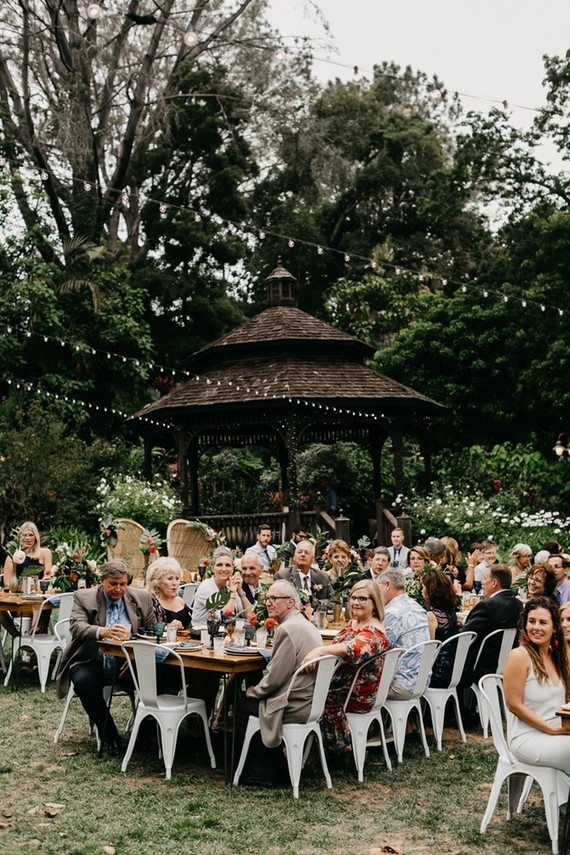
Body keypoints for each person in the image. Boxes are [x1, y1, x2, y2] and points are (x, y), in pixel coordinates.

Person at [55, 559, 154, 752]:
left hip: (128, 662)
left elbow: (151, 631)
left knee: (161, 675)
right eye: (113, 584)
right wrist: (102, 631)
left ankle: (146, 733)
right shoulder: (84, 597)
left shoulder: (142, 598)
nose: (118, 589)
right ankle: (109, 734)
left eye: (123, 584)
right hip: (91, 659)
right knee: (84, 681)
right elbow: (77, 626)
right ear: (102, 581)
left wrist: (134, 658)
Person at [235, 580, 322, 787]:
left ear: (291, 603)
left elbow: (275, 679)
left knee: (241, 704)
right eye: (267, 599)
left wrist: (255, 691)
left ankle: (261, 774)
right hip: (311, 701)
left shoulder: (288, 629)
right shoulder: (306, 624)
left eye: (274, 599)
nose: (268, 603)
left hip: (293, 704)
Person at [302, 579, 389, 759]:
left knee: (309, 695)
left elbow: (353, 649)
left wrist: (319, 650)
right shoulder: (355, 623)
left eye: (363, 599)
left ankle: (339, 749)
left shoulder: (374, 632)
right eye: (353, 597)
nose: (356, 602)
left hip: (355, 693)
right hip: (343, 683)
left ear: (374, 604)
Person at [504, 597, 570, 773]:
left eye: (543, 622)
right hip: (527, 738)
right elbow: (514, 705)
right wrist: (551, 729)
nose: (536, 628)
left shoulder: (557, 656)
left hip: (558, 732)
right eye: (531, 621)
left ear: (554, 627)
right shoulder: (519, 656)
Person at [459, 563, 523, 689]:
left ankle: (460, 706)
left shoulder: (488, 605)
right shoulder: (518, 604)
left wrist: (462, 624)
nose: (482, 582)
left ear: (494, 583)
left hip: (483, 666)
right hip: (506, 662)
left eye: (485, 579)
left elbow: (465, 635)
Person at [377, 567, 430, 698]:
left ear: (388, 585)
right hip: (422, 681)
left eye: (378, 589)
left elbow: (377, 647)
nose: (377, 595)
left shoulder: (392, 613)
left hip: (402, 684)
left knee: (352, 687)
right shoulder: (417, 607)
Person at [1, 521, 53, 637]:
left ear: (36, 537)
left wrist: (37, 586)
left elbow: (48, 575)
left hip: (39, 598)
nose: (28, 538)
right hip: (20, 601)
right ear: (20, 538)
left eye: (31, 535)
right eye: (25, 535)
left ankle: (34, 633)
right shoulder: (12, 556)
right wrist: (23, 587)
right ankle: (17, 636)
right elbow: (7, 583)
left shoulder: (45, 553)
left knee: (38, 603)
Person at [191, 546, 251, 627]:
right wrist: (233, 591)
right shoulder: (206, 587)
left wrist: (240, 591)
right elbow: (226, 618)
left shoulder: (230, 586)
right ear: (213, 568)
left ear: (232, 569)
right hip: (201, 636)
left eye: (228, 565)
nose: (224, 569)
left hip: (224, 636)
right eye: (219, 565)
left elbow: (251, 617)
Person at [422, 569, 459, 688]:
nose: (422, 591)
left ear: (430, 590)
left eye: (423, 587)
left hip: (437, 672)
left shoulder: (431, 616)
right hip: (452, 668)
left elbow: (428, 650)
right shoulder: (451, 613)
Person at [146, 556, 191, 629]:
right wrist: (168, 627)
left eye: (177, 578)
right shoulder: (152, 603)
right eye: (170, 578)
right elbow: (148, 628)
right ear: (157, 581)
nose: (175, 583)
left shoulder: (180, 601)